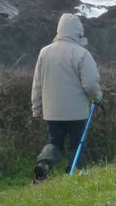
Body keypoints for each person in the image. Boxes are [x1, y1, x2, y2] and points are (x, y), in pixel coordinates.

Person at [30, 12, 102, 181]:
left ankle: (44, 164)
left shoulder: (44, 52)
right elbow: (91, 84)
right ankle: (75, 171)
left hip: (52, 111)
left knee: (55, 142)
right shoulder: (82, 54)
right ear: (78, 32)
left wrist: (37, 109)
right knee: (77, 143)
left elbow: (37, 84)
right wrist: (97, 98)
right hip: (77, 111)